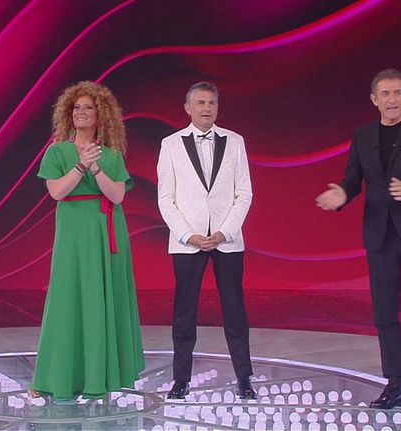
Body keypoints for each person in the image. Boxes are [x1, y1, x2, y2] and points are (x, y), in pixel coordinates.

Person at [315, 69, 401, 418]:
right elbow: (353, 179)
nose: (392, 100)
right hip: (380, 236)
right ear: (374, 100)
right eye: (385, 94)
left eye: (397, 93)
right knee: (385, 314)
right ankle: (395, 386)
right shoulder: (362, 136)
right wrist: (342, 193)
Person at [28, 81, 144, 403]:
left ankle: (102, 377)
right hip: (73, 231)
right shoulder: (57, 151)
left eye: (88, 107)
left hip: (106, 229)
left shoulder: (112, 154)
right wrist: (81, 166)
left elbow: (117, 195)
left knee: (103, 298)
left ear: (100, 114)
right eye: (76, 107)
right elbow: (56, 192)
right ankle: (56, 377)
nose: (81, 112)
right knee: (67, 299)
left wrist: (97, 167)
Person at [157, 81, 256, 400]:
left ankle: (244, 378)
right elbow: (165, 198)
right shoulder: (170, 144)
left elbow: (244, 193)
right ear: (188, 108)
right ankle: (180, 380)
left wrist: (225, 231)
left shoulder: (235, 141)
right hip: (188, 240)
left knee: (235, 309)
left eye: (211, 103)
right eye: (200, 103)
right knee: (184, 312)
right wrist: (188, 235)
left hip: (226, 239)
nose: (206, 108)